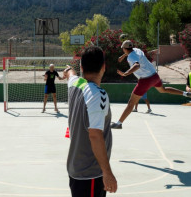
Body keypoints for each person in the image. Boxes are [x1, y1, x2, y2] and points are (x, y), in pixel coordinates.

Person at [63, 46, 117, 197]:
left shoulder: (75, 84)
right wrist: (107, 173)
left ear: (82, 67)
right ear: (103, 67)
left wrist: (68, 70)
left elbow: (70, 74)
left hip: (76, 168)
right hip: (91, 173)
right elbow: (94, 135)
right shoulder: (98, 95)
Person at [111, 40, 191, 129]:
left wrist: (125, 73)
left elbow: (137, 65)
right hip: (154, 76)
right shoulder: (137, 50)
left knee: (131, 102)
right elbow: (130, 52)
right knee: (163, 90)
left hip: (145, 80)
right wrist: (122, 56)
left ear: (124, 49)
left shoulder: (131, 57)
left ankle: (119, 123)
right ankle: (185, 93)